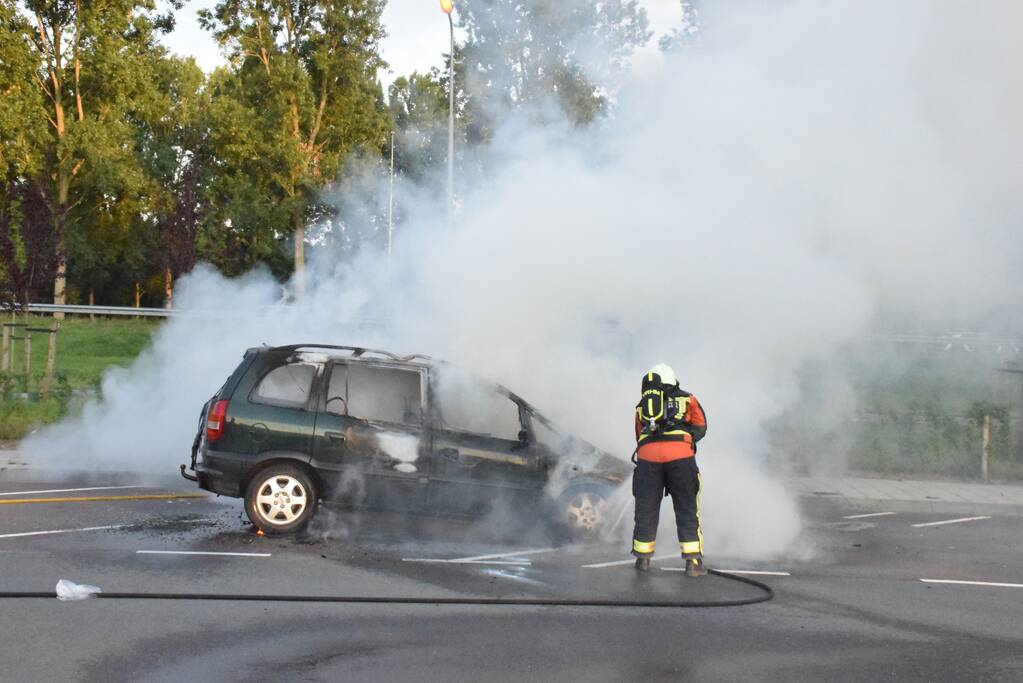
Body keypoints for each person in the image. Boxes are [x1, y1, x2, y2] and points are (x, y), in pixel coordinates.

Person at [631, 363, 708, 577]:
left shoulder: (642, 406)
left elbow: (639, 434)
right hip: (681, 459)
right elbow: (701, 427)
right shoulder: (687, 398)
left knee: (646, 508)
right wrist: (685, 439)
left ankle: (643, 559)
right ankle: (693, 563)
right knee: (686, 507)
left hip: (648, 460)